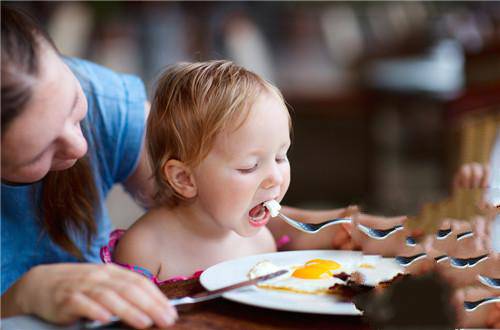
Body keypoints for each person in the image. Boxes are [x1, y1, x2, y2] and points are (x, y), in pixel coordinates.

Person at [1, 7, 366, 328]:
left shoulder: (102, 101)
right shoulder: (144, 248)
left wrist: (334, 228)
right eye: (37, 153)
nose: (81, 147)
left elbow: (213, 208)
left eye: (74, 106)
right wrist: (19, 298)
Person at [104, 60, 372, 280]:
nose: (275, 179)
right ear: (184, 178)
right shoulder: (145, 249)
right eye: (249, 166)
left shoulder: (260, 243)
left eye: (280, 157)